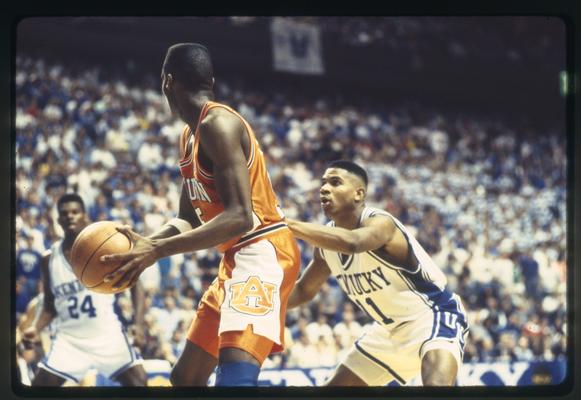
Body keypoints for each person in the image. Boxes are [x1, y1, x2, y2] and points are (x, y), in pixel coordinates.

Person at [100, 43, 301, 387]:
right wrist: (146, 245)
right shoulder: (189, 136)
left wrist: (158, 251)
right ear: (211, 80)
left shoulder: (217, 124)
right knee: (186, 378)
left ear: (167, 81)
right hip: (236, 258)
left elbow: (240, 216)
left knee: (234, 381)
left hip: (263, 251)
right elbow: (188, 217)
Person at [286, 160, 469, 386]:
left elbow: (354, 242)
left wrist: (285, 224)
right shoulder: (325, 244)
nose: (324, 188)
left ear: (358, 194)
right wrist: (263, 306)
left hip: (432, 315)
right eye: (323, 183)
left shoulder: (382, 223)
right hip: (387, 332)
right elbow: (304, 290)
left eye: (335, 183)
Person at [21, 193, 148, 386]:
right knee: (39, 388)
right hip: (69, 341)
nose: (70, 216)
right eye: (64, 213)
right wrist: (35, 328)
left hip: (107, 336)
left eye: (75, 212)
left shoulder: (104, 248)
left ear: (85, 216)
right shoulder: (49, 259)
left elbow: (136, 285)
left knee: (139, 383)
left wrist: (138, 324)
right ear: (58, 220)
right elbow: (49, 305)